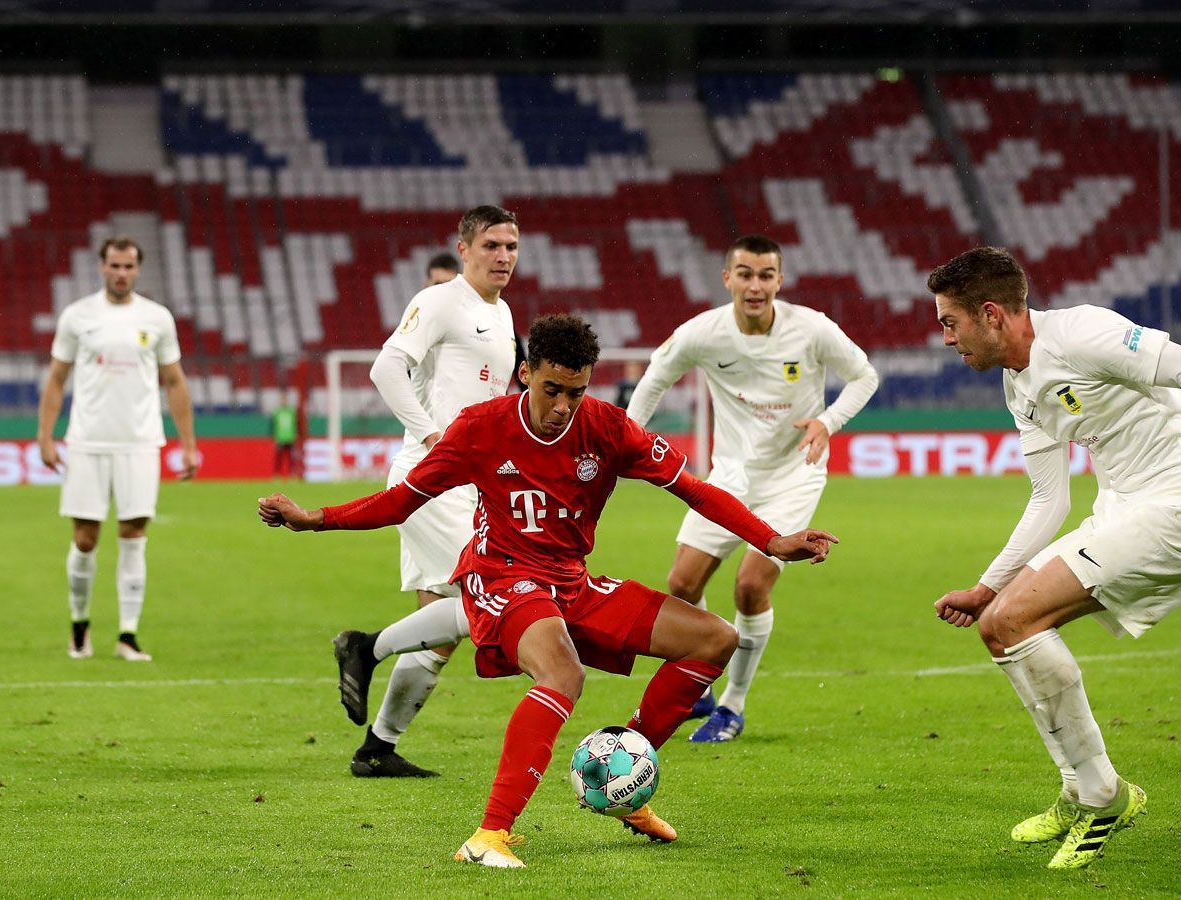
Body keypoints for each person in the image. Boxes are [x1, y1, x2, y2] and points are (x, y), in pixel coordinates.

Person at [258, 314, 836, 868]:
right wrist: (316, 518)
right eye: (553, 389)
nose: (563, 406)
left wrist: (771, 539)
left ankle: (620, 778)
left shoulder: (609, 428)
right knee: (563, 674)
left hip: (571, 579)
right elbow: (401, 500)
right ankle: (489, 834)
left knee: (715, 639)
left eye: (576, 393)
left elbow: (696, 490)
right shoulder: (479, 427)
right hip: (501, 576)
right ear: (526, 372)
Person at [926, 247, 1181, 870]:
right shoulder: (1021, 384)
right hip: (1123, 507)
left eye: (949, 323)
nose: (946, 339)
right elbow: (1049, 499)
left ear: (990, 313)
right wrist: (987, 586)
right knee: (1000, 624)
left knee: (1015, 623)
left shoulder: (1082, 333)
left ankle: (1102, 795)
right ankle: (1081, 789)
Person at [625, 234, 880, 742]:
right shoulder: (703, 333)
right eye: (745, 274)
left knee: (749, 585)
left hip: (793, 477)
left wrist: (828, 422)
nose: (756, 285)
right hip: (729, 478)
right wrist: (624, 439)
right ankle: (698, 686)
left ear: (779, 281)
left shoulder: (811, 329)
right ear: (728, 279)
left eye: (766, 275)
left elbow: (864, 375)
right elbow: (654, 378)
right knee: (681, 585)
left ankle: (732, 706)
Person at [342, 206, 520, 778]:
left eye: (512, 246)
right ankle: (364, 647)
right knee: (482, 601)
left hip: (469, 481)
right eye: (492, 244)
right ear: (463, 247)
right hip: (432, 477)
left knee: (441, 627)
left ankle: (377, 749)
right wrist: (435, 436)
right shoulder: (441, 301)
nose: (504, 256)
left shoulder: (503, 312)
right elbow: (385, 369)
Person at [38, 236, 198, 662]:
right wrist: (45, 435)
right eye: (115, 266)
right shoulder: (78, 316)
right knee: (85, 539)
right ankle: (79, 625)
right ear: (102, 266)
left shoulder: (157, 318)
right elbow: (56, 378)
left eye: (129, 266)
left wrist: (188, 444)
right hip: (88, 441)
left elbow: (175, 381)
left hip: (141, 442)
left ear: (137, 270)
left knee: (133, 537)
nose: (121, 273)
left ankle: (127, 635)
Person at [270, 391, 298, 479]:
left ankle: (291, 475)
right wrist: (274, 437)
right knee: (279, 458)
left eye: (285, 400)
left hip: (290, 437)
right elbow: (274, 425)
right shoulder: (277, 412)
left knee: (291, 458)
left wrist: (295, 435)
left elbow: (295, 425)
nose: (284, 402)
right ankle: (277, 475)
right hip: (280, 438)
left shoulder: (291, 412)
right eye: (283, 400)